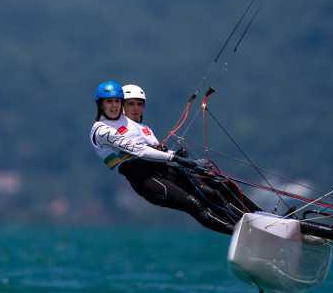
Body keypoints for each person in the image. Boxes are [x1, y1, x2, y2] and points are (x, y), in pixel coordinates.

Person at [89, 79, 256, 235]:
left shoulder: (135, 125)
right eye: (108, 102)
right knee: (194, 204)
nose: (114, 106)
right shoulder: (101, 130)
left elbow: (156, 150)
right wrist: (175, 157)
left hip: (163, 169)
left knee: (213, 189)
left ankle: (257, 218)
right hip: (145, 179)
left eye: (117, 101)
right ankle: (240, 233)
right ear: (100, 104)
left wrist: (179, 156)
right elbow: (139, 150)